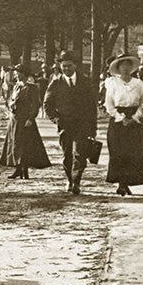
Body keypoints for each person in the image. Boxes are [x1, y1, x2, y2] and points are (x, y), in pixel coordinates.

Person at [43, 50, 97, 195]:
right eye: (64, 66)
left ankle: (76, 181)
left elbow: (92, 106)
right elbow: (47, 104)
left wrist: (93, 127)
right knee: (67, 155)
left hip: (83, 124)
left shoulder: (85, 81)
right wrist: (56, 119)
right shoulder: (56, 83)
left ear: (75, 65)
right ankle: (70, 179)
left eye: (69, 65)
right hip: (65, 124)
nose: (66, 68)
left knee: (80, 154)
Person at [103, 52, 143, 196]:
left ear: (131, 67)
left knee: (135, 151)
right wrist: (120, 117)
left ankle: (130, 181)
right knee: (119, 152)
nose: (125, 68)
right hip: (118, 120)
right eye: (122, 65)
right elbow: (109, 104)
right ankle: (122, 184)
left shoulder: (138, 83)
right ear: (118, 68)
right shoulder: (113, 84)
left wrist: (135, 117)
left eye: (128, 65)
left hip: (135, 119)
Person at [1, 61, 51, 179]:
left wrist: (31, 118)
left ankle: (25, 169)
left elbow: (35, 105)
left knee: (25, 145)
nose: (16, 75)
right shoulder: (16, 86)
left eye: (18, 73)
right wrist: (11, 104)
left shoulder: (31, 87)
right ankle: (18, 168)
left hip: (25, 120)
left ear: (24, 74)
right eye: (16, 73)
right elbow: (11, 100)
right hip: (15, 119)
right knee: (15, 144)